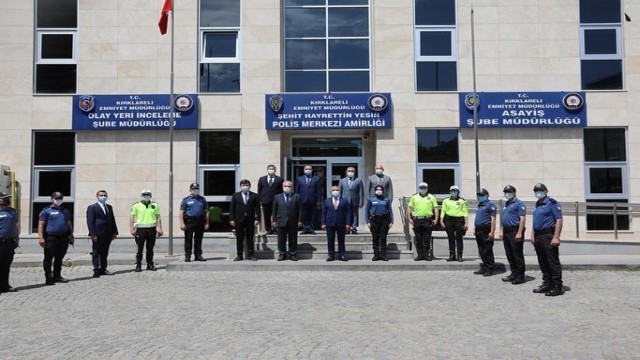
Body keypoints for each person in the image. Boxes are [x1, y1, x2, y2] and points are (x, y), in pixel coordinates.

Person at [531, 183, 564, 296]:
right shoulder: (538, 203)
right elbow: (536, 220)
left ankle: (557, 286)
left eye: (540, 190)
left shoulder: (552, 203)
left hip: (548, 235)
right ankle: (547, 283)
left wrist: (556, 236)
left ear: (546, 191)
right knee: (542, 261)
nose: (537, 192)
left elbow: (559, 220)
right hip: (538, 236)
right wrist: (532, 234)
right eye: (536, 190)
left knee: (552, 261)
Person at [38, 192, 74, 285]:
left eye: (60, 198)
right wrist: (41, 238)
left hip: (63, 237)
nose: (58, 200)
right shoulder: (46, 210)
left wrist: (71, 235)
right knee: (48, 258)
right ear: (51, 199)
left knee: (59, 257)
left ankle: (57, 276)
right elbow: (41, 224)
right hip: (51, 237)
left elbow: (69, 223)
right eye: (56, 198)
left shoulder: (65, 211)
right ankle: (49, 277)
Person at [86, 190, 118, 278]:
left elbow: (112, 220)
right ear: (97, 196)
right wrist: (93, 234)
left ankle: (103, 268)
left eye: (105, 195)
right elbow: (90, 222)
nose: (103, 197)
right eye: (101, 195)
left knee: (105, 252)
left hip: (108, 233)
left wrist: (115, 232)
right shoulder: (92, 207)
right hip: (97, 233)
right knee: (96, 251)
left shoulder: (109, 207)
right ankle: (96, 269)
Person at [130, 189, 163, 272]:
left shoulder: (155, 205)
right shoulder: (136, 205)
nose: (146, 196)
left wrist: (159, 228)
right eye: (144, 194)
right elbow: (131, 218)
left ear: (150, 195)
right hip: (141, 229)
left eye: (148, 194)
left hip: (152, 229)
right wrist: (132, 229)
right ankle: (138, 265)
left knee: (150, 248)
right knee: (139, 248)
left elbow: (158, 217)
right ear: (141, 196)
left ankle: (150, 264)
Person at [500, 185, 527, 284]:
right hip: (507, 231)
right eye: (505, 192)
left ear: (514, 193)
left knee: (517, 254)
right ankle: (513, 273)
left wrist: (519, 232)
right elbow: (504, 218)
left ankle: (520, 276)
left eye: (509, 192)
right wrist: (502, 230)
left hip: (515, 231)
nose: (507, 194)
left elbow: (522, 219)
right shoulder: (506, 204)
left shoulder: (519, 203)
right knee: (509, 254)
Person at [229, 179, 261, 261]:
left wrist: (258, 219)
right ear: (240, 186)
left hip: (250, 219)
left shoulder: (254, 195)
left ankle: (250, 254)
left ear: (249, 186)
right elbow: (232, 208)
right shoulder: (235, 196)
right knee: (239, 238)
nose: (245, 187)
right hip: (239, 220)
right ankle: (239, 255)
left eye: (246, 185)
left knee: (250, 237)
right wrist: (231, 219)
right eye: (243, 185)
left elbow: (258, 209)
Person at [406, 182, 438, 261]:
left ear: (427, 188)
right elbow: (409, 208)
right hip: (417, 220)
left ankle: (426, 255)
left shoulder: (432, 197)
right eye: (421, 188)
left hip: (427, 219)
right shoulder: (414, 197)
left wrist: (436, 219)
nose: (423, 189)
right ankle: (420, 255)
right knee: (418, 238)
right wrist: (409, 218)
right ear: (419, 188)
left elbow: (436, 208)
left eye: (424, 188)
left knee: (427, 238)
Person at [272, 181, 303, 261]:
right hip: (281, 220)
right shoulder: (277, 197)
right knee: (281, 239)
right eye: (285, 186)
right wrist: (274, 220)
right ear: (282, 187)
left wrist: (300, 220)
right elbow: (274, 210)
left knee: (293, 238)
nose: (287, 188)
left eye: (289, 186)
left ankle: (292, 254)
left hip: (293, 221)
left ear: (292, 187)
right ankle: (282, 254)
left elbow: (300, 210)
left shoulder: (297, 197)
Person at [179, 183, 209, 262]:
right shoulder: (186, 200)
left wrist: (207, 223)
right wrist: (182, 223)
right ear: (190, 190)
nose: (195, 190)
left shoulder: (202, 199)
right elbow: (181, 212)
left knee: (198, 239)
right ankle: (188, 256)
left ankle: (198, 255)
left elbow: (207, 212)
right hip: (189, 221)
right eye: (193, 189)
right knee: (188, 239)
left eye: (197, 189)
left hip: (200, 221)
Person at [321, 185, 352, 262]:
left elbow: (348, 213)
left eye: (337, 190)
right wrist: (323, 223)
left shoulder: (344, 200)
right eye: (334, 190)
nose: (335, 191)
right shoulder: (327, 201)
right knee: (330, 240)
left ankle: (341, 255)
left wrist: (348, 223)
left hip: (341, 223)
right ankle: (331, 255)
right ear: (331, 192)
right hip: (330, 223)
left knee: (341, 240)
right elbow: (324, 213)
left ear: (340, 191)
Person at [365, 184, 393, 261]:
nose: (379, 191)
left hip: (384, 220)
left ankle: (383, 255)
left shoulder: (386, 200)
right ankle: (376, 255)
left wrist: (391, 221)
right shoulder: (371, 199)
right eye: (377, 189)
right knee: (375, 238)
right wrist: (367, 222)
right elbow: (367, 211)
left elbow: (390, 211)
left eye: (380, 189)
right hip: (374, 220)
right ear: (375, 191)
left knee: (383, 238)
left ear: (383, 191)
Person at [440, 185, 468, 262]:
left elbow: (465, 212)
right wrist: (441, 221)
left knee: (459, 238)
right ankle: (452, 255)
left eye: (455, 191)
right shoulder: (446, 201)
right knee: (451, 238)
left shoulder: (462, 201)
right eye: (452, 191)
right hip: (449, 220)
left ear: (458, 192)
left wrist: (466, 223)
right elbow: (443, 211)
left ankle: (459, 255)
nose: (453, 192)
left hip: (459, 220)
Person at [473, 188, 497, 276]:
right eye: (479, 195)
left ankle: (490, 268)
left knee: (487, 250)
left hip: (486, 230)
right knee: (481, 249)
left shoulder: (490, 205)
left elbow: (493, 219)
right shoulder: (479, 205)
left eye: (482, 195)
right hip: (478, 230)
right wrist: (474, 228)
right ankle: (484, 266)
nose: (480, 197)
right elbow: (477, 217)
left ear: (487, 195)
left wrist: (492, 232)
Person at [0, 192, 19, 294]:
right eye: (4, 198)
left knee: (6, 265)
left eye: (8, 198)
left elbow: (15, 226)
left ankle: (5, 285)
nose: (7, 200)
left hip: (9, 242)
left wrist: (17, 238)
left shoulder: (12, 212)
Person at [257, 164, 284, 235]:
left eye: (272, 169)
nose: (271, 170)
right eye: (269, 169)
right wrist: (260, 200)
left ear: (275, 170)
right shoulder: (262, 179)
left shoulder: (280, 179)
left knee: (276, 215)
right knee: (266, 215)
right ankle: (268, 229)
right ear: (267, 170)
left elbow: (282, 190)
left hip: (276, 200)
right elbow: (259, 190)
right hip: (265, 200)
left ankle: (275, 229)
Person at [295, 165, 321, 234]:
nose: (308, 170)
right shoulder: (299, 179)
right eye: (307, 169)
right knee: (303, 214)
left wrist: (318, 201)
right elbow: (297, 190)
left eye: (310, 169)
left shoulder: (316, 178)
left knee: (312, 215)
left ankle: (311, 228)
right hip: (302, 200)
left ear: (312, 170)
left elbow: (319, 190)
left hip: (313, 200)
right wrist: (296, 200)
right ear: (304, 170)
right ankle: (305, 228)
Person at [338, 167, 364, 234]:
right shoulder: (342, 181)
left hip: (355, 200)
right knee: (345, 214)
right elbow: (339, 192)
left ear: (355, 172)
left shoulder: (359, 180)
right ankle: (347, 228)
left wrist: (361, 202)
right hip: (344, 201)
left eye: (352, 171)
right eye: (349, 171)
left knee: (355, 214)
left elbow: (361, 192)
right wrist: (339, 201)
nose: (350, 172)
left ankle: (354, 228)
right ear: (346, 172)